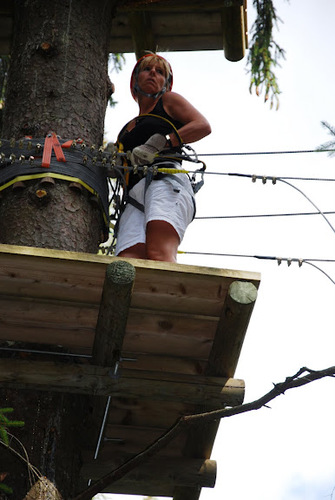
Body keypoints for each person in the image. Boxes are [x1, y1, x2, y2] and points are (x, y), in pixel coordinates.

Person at [114, 53, 211, 262]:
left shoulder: (168, 101)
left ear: (165, 84)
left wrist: (162, 142)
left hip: (165, 181)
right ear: (135, 80)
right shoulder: (126, 130)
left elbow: (202, 126)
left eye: (159, 72)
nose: (152, 74)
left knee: (158, 254)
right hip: (134, 194)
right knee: (127, 261)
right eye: (147, 70)